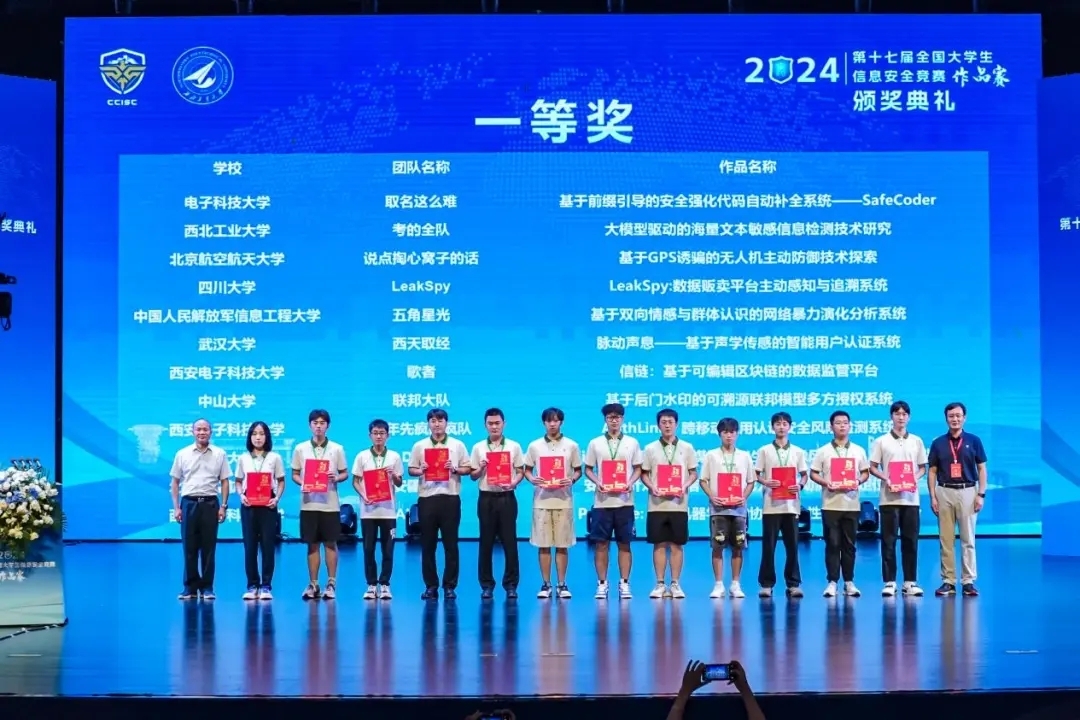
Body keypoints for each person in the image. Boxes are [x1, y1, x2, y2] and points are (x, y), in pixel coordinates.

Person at [409, 407, 471, 600]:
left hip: (450, 498)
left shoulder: (457, 445)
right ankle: (431, 586)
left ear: (446, 423)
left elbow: (468, 468)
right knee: (428, 545)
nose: (437, 424)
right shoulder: (419, 446)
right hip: (427, 499)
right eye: (433, 421)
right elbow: (411, 469)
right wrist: (421, 470)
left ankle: (450, 586)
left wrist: (455, 469)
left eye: (440, 420)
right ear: (428, 423)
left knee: (451, 545)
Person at [584, 402, 643, 599]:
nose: (614, 420)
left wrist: (630, 482)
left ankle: (624, 583)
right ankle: (602, 584)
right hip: (602, 502)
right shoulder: (595, 443)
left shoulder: (632, 443)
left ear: (623, 419)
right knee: (601, 544)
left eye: (617, 417)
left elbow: (638, 468)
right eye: (610, 417)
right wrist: (598, 482)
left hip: (625, 501)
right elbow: (588, 469)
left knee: (624, 544)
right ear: (605, 420)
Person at [927, 401, 987, 597]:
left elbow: (981, 469)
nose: (955, 419)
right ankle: (948, 581)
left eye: (958, 416)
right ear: (946, 419)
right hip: (944, 491)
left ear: (964, 418)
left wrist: (981, 494)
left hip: (968, 491)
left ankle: (968, 581)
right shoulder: (938, 443)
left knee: (968, 539)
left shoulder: (974, 440)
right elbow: (932, 471)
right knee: (946, 539)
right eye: (951, 416)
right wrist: (933, 496)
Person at [869, 400, 928, 597]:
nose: (901, 417)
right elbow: (873, 467)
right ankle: (889, 581)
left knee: (911, 541)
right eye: (897, 414)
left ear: (909, 417)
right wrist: (886, 478)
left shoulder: (917, 441)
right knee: (888, 541)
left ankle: (910, 582)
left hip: (911, 499)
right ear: (891, 416)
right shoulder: (881, 441)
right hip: (889, 499)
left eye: (904, 414)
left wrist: (913, 478)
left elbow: (922, 468)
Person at [523, 407, 582, 599]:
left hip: (563, 500)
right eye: (549, 421)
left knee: (562, 545)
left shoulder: (572, 445)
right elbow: (527, 470)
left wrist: (571, 480)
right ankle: (546, 584)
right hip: (541, 501)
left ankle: (562, 584)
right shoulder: (534, 446)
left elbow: (578, 470)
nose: (552, 424)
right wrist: (533, 479)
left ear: (561, 422)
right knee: (544, 545)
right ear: (544, 423)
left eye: (556, 420)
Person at [810, 410, 871, 598]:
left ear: (850, 425)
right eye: (838, 423)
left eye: (845, 422)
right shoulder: (823, 451)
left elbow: (865, 473)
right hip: (830, 504)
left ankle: (849, 582)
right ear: (831, 426)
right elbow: (813, 473)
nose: (842, 426)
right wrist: (826, 483)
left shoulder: (858, 450)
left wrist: (858, 481)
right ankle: (832, 582)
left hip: (851, 504)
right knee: (832, 544)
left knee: (850, 545)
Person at [292, 409, 349, 600]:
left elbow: (344, 473)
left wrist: (336, 477)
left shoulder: (337, 448)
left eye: (322, 423)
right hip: (308, 504)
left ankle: (331, 583)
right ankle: (313, 584)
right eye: (315, 423)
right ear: (310, 425)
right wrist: (303, 482)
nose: (318, 426)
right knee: (312, 545)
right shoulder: (300, 448)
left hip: (329, 504)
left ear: (328, 426)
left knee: (330, 543)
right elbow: (295, 474)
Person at [469, 408, 526, 599]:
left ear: (504, 424)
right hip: (486, 498)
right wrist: (481, 468)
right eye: (490, 423)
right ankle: (486, 585)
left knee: (510, 542)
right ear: (485, 425)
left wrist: (513, 483)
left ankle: (511, 585)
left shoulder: (514, 446)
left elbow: (520, 471)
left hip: (506, 497)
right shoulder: (478, 447)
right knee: (486, 542)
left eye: (497, 423)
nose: (494, 427)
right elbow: (472, 475)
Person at [170, 418, 230, 600]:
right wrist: (176, 507)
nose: (202, 432)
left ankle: (207, 588)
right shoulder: (182, 454)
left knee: (208, 548)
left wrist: (223, 506)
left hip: (210, 504)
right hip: (189, 503)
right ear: (193, 432)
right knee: (189, 547)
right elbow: (175, 482)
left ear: (211, 432)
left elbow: (225, 481)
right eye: (198, 429)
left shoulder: (219, 454)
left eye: (205, 429)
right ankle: (189, 587)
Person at [640, 408, 697, 599]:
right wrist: (652, 486)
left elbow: (693, 473)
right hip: (656, 504)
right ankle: (659, 584)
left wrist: (684, 486)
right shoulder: (650, 448)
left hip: (678, 504)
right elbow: (644, 474)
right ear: (658, 425)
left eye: (670, 422)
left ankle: (675, 584)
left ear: (676, 424)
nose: (667, 425)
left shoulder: (687, 447)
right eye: (663, 422)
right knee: (658, 544)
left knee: (676, 545)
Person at [699, 418, 755, 599]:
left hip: (739, 510)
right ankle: (718, 584)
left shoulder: (744, 456)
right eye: (725, 432)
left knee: (738, 546)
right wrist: (712, 496)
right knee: (718, 546)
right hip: (718, 509)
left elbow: (751, 481)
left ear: (737, 434)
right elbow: (703, 480)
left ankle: (735, 584)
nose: (729, 436)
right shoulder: (711, 455)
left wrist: (743, 497)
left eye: (732, 432)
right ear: (719, 434)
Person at [755, 411, 808, 598]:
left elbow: (804, 475)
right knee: (768, 547)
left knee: (792, 546)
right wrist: (765, 482)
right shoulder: (764, 450)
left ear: (790, 427)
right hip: (771, 505)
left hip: (791, 506)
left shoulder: (798, 451)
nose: (781, 427)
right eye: (778, 423)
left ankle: (793, 584)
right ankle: (766, 584)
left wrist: (800, 485)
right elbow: (756, 474)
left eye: (785, 424)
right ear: (772, 427)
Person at [351, 418, 404, 600]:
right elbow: (355, 481)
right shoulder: (362, 456)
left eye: (382, 433)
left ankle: (385, 584)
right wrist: (364, 496)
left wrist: (394, 475)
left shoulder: (394, 457)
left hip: (388, 511)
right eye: (375, 433)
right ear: (370, 435)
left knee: (388, 549)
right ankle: (371, 584)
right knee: (368, 549)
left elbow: (399, 483)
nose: (379, 436)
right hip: (368, 511)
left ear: (388, 435)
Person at [235, 421, 286, 600]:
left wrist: (276, 499)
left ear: (267, 437)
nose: (258, 437)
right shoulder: (243, 458)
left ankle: (266, 586)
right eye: (254, 434)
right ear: (250, 437)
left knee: (267, 546)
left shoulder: (274, 457)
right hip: (249, 504)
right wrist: (241, 495)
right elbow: (238, 481)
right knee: (250, 546)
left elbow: (281, 481)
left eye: (262, 434)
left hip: (268, 504)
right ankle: (252, 585)